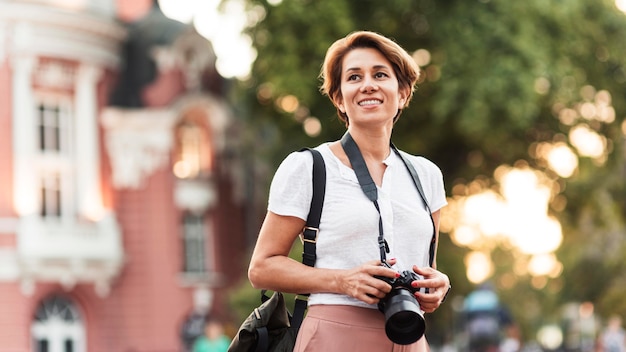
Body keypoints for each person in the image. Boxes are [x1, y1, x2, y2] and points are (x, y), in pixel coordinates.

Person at [248, 30, 451, 351]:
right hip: (334, 333)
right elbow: (261, 267)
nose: (368, 84)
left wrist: (439, 286)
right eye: (354, 77)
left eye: (380, 74)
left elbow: (428, 266)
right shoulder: (308, 167)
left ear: (403, 93)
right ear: (340, 98)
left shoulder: (427, 175)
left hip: (409, 335)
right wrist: (341, 280)